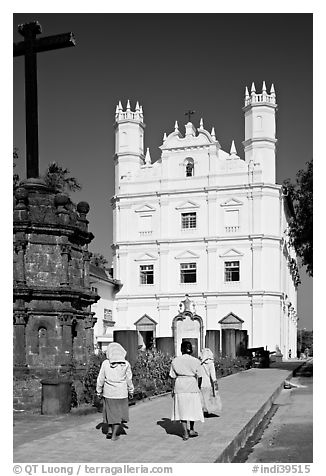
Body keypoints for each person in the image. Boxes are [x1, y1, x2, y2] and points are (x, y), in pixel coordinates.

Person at [96, 342, 134, 441]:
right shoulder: (125, 364)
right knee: (118, 414)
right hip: (121, 392)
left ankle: (109, 430)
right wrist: (131, 391)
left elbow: (100, 378)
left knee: (110, 412)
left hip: (109, 392)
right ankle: (114, 435)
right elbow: (129, 379)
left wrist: (98, 391)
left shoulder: (105, 363)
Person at [169, 340, 204, 441]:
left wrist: (173, 389)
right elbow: (200, 376)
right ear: (191, 350)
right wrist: (198, 387)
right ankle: (192, 429)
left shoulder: (175, 361)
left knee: (182, 409)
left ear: (181, 349)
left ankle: (185, 432)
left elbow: (172, 376)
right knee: (192, 408)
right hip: (192, 384)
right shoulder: (196, 361)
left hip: (180, 385)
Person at [199, 348, 219, 416]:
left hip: (200, 383)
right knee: (207, 398)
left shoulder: (199, 363)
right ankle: (207, 411)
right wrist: (215, 383)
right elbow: (213, 375)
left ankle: (201, 411)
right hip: (207, 383)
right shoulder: (211, 363)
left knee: (201, 398)